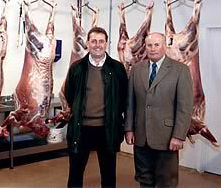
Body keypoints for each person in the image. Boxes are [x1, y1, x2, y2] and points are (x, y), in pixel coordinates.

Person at [125, 32, 193, 188]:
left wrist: (179, 136)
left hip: (167, 137)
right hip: (141, 136)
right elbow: (130, 102)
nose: (153, 48)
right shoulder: (136, 69)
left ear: (164, 46)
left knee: (166, 181)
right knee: (144, 179)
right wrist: (129, 129)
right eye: (149, 45)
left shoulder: (180, 70)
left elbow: (185, 106)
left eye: (157, 45)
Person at [64, 27, 128, 188]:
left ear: (107, 43)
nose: (97, 45)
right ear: (88, 44)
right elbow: (70, 94)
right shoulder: (77, 68)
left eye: (101, 41)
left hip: (107, 129)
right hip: (81, 128)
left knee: (108, 174)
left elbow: (123, 97)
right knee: (75, 173)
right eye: (93, 41)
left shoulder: (117, 68)